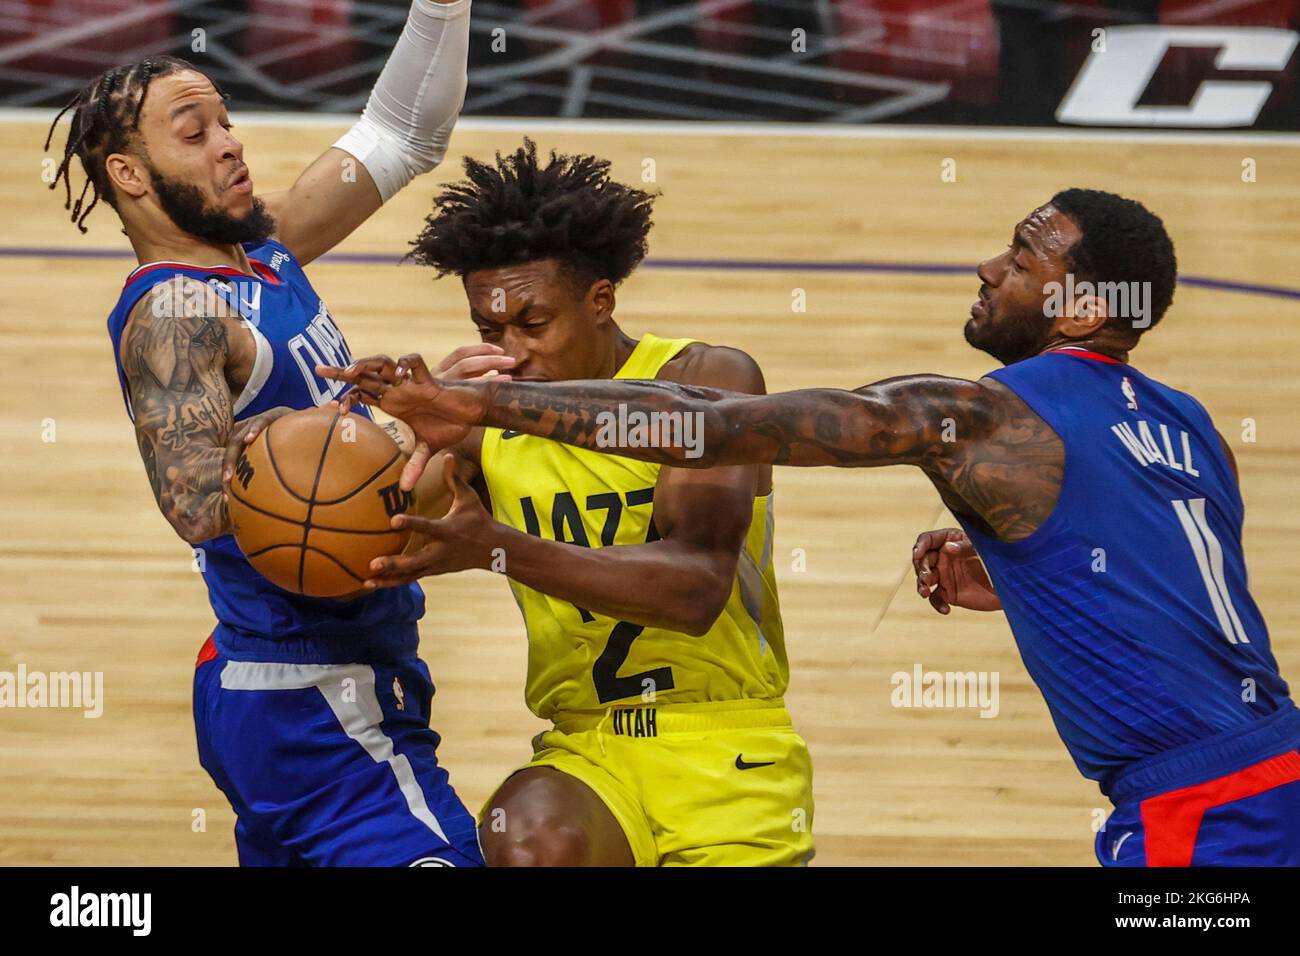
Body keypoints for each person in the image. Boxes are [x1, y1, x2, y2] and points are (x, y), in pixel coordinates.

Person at [326, 189, 1300, 866]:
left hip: (1205, 806)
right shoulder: (1182, 421)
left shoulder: (987, 412)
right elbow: (1171, 573)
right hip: (1274, 758)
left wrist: (491, 407)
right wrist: (1021, 573)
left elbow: (707, 428)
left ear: (1083, 303)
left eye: (1019, 255)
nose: (987, 265)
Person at [47, 0, 509, 866]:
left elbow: (404, 133)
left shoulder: (262, 251)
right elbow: (198, 504)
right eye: (194, 132)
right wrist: (413, 442)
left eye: (226, 120)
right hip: (312, 693)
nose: (230, 142)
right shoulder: (176, 309)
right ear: (131, 175)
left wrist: (442, 7)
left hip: (307, 676)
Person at [329, 140, 815, 866]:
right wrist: (397, 435)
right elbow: (367, 546)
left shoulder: (707, 380)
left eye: (533, 323)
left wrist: (495, 546)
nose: (512, 354)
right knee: (529, 843)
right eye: (489, 331)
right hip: (587, 749)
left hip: (724, 743)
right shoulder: (482, 418)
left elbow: (695, 589)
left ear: (601, 300)